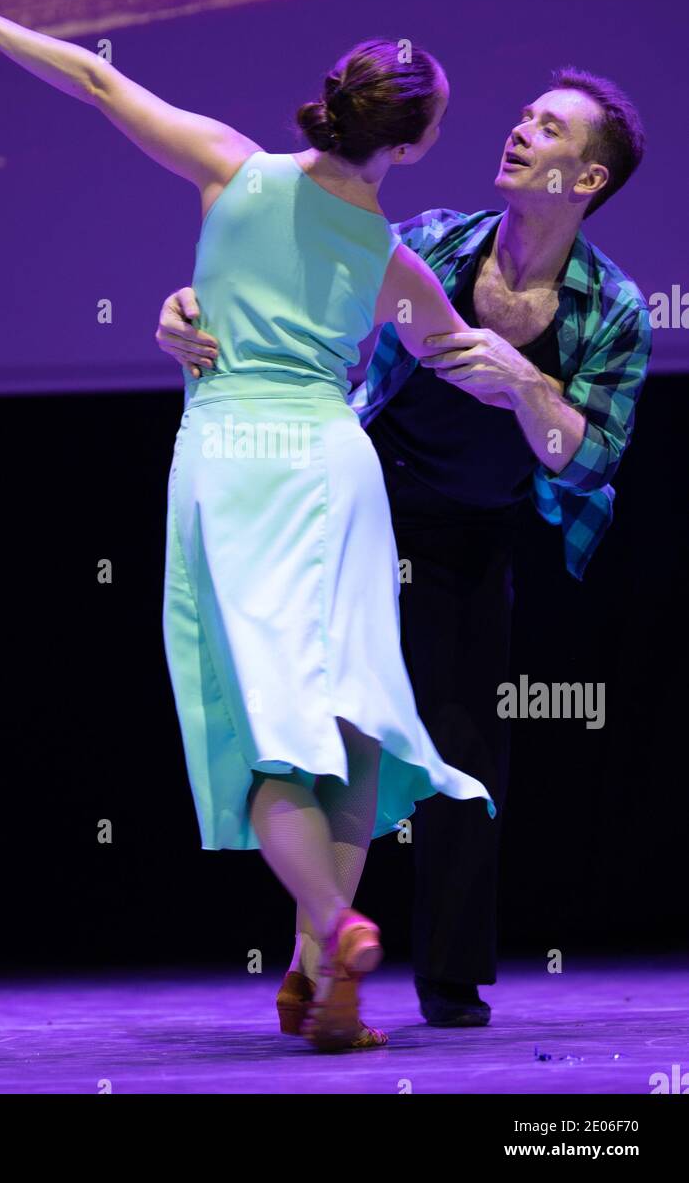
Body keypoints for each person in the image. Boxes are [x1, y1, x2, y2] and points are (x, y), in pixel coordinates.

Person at [0, 0, 496, 1051]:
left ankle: (335, 933)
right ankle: (318, 976)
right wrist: (543, 395)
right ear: (420, 138)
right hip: (331, 465)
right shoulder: (388, 257)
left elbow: (94, 78)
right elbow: (458, 356)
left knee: (261, 733)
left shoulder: (230, 168)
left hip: (232, 458)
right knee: (345, 719)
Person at [156, 67, 652, 1029]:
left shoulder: (612, 309)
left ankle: (448, 982)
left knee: (463, 752)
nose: (519, 132)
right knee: (336, 734)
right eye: (522, 116)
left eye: (548, 129)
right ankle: (322, 957)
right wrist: (191, 306)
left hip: (473, 536)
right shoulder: (427, 241)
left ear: (585, 181)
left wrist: (522, 383)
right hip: (359, 508)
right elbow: (282, 284)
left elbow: (586, 463)